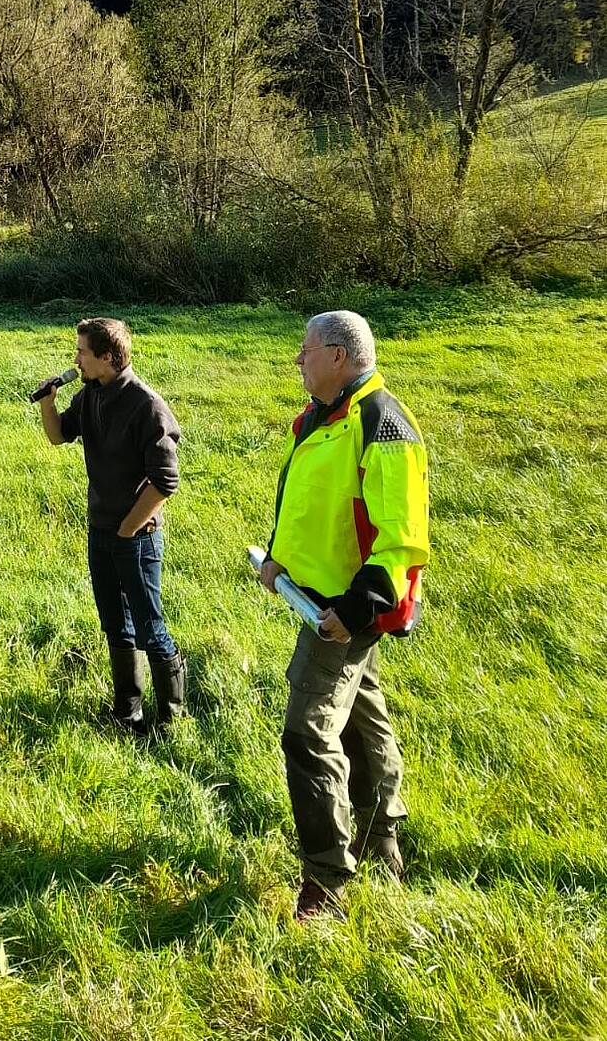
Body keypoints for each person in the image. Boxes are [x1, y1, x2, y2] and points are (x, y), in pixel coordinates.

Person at [258, 310, 429, 922]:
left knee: (307, 732)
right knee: (363, 716)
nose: (298, 360)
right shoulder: (320, 418)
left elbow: (400, 535)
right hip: (314, 597)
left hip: (344, 608)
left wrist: (356, 610)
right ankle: (383, 843)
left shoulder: (382, 423)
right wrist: (278, 560)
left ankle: (326, 882)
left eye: (305, 349)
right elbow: (310, 501)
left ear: (338, 355)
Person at [36, 316, 185, 730]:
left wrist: (128, 529)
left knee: (149, 625)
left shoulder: (147, 406)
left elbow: (165, 482)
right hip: (100, 530)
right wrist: (48, 402)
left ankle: (171, 718)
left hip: (137, 536)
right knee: (115, 624)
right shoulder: (90, 396)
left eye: (82, 351)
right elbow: (59, 436)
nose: (76, 359)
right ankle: (128, 711)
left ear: (107, 356)